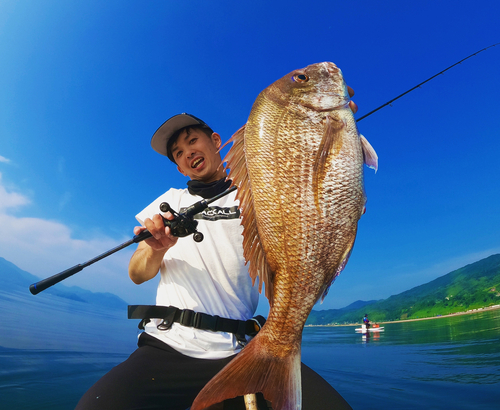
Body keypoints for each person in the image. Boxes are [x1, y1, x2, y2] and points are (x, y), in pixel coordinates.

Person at [76, 92, 358, 410]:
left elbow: (302, 186)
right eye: (178, 153)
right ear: (181, 168)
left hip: (244, 347)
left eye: (191, 140)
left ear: (215, 140)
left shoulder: (258, 196)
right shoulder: (168, 202)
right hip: (169, 345)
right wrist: (156, 249)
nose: (187, 153)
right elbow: (137, 273)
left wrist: (330, 134)